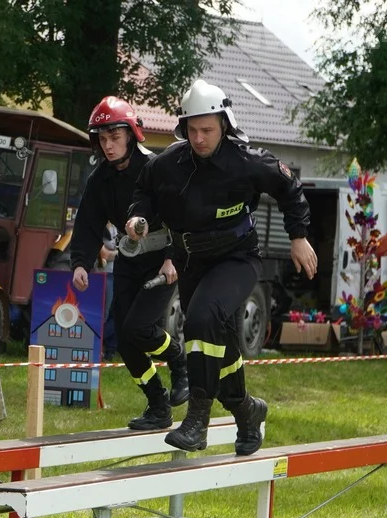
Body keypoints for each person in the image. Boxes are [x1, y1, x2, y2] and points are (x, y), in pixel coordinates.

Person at [126, 79, 318, 455]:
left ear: (224, 125)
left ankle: (197, 419)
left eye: (208, 130)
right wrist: (137, 219)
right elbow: (142, 193)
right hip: (190, 261)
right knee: (222, 346)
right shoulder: (166, 164)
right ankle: (248, 412)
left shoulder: (247, 161)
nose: (199, 138)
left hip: (236, 259)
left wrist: (299, 236)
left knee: (199, 319)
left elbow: (289, 187)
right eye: (193, 130)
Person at [69, 95, 189, 431]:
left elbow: (179, 216)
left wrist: (170, 259)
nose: (108, 146)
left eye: (115, 138)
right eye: (102, 139)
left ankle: (179, 360)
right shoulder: (99, 180)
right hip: (129, 261)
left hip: (163, 263)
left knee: (140, 329)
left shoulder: (156, 169)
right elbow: (88, 225)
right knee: (124, 340)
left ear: (132, 134)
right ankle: (158, 405)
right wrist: (80, 263)